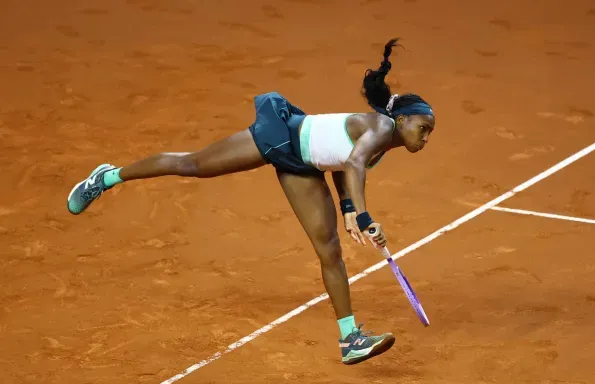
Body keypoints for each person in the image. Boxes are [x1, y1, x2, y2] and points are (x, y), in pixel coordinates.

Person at [66, 38, 435, 365]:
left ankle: (350, 339)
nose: (425, 137)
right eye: (423, 127)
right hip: (282, 136)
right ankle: (108, 177)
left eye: (429, 133)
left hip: (304, 166)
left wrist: (349, 210)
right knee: (192, 165)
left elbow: (343, 163)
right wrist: (365, 217)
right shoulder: (381, 127)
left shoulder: (382, 144)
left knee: (329, 249)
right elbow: (353, 163)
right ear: (401, 119)